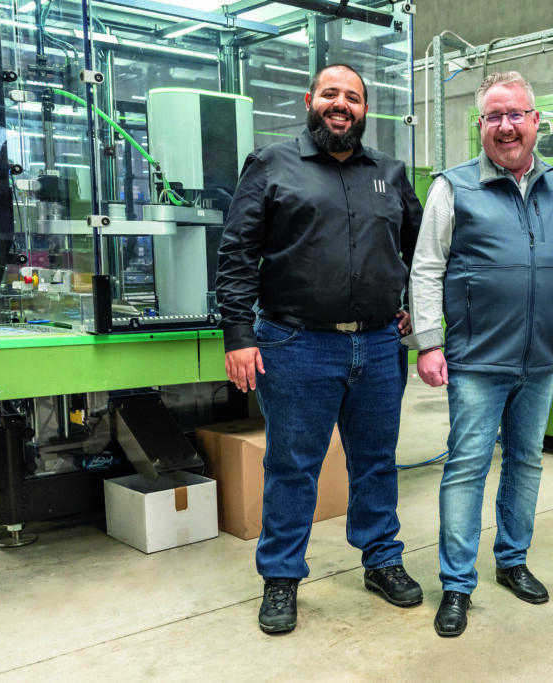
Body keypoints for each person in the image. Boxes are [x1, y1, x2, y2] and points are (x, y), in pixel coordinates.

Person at [215, 63, 423, 635]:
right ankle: (281, 576)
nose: (341, 104)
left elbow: (421, 249)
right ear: (310, 100)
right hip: (295, 343)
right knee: (292, 466)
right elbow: (237, 252)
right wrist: (238, 336)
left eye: (352, 97)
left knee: (377, 461)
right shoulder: (271, 164)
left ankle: (381, 559)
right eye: (330, 93)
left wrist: (411, 303)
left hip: (378, 344)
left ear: (364, 109)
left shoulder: (389, 172)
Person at [405, 71, 553, 637]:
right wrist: (429, 342)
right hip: (477, 359)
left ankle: (513, 560)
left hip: (540, 358)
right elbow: (426, 268)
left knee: (526, 461)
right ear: (480, 124)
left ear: (536, 121)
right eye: (494, 116)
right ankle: (457, 584)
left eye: (516, 114)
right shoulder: (453, 187)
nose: (506, 126)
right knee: (467, 467)